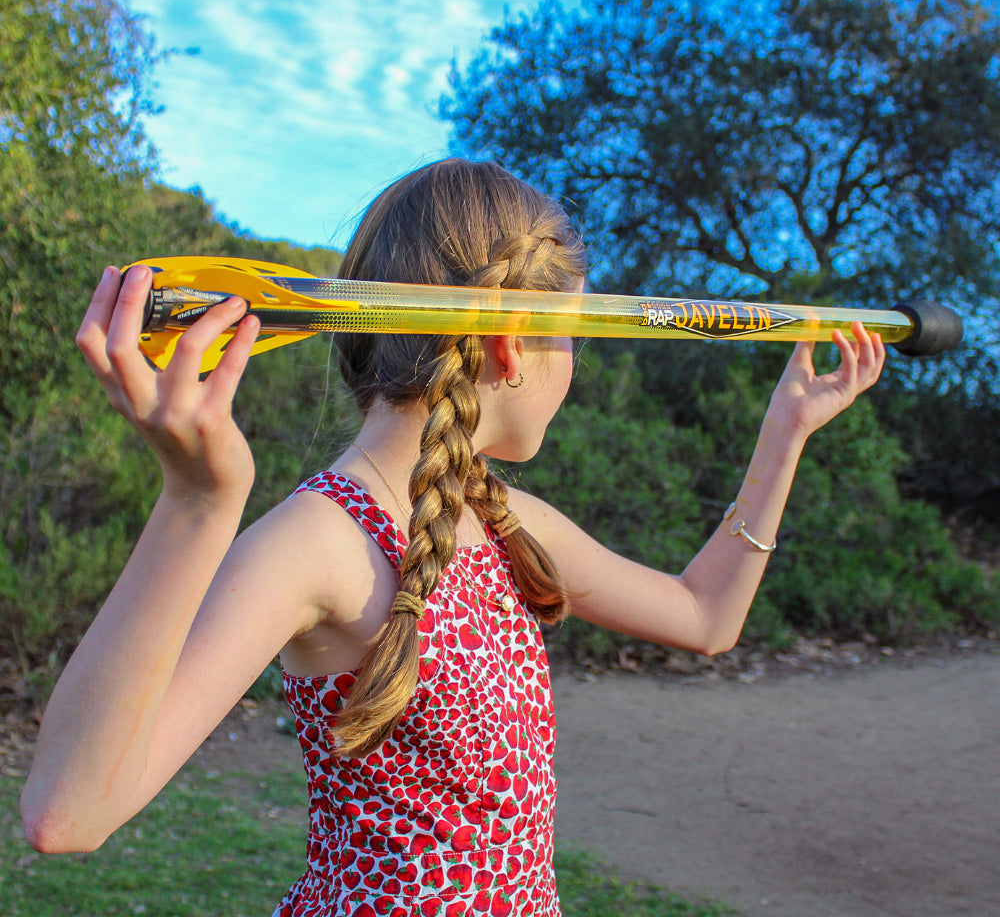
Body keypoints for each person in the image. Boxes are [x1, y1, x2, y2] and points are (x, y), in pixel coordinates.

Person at [21, 158, 885, 915]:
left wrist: (786, 433)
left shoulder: (505, 520)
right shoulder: (316, 541)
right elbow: (67, 815)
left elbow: (705, 616)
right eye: (573, 337)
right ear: (512, 345)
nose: (574, 368)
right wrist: (197, 501)